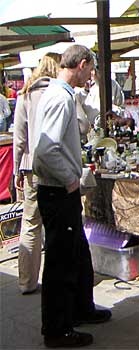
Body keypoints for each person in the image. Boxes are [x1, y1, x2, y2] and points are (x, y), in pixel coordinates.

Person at [32, 44, 111, 348]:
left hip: (60, 190)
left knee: (77, 253)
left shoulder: (62, 95)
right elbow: (46, 149)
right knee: (60, 262)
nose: (92, 74)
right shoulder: (60, 98)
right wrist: (69, 179)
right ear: (81, 64)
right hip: (56, 191)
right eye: (91, 68)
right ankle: (57, 329)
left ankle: (81, 309)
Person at [13, 52, 61, 296]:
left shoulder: (25, 95)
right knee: (58, 224)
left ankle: (26, 281)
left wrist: (15, 171)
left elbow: (19, 138)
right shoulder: (59, 93)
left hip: (31, 166)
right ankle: (59, 279)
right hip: (56, 167)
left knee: (30, 224)